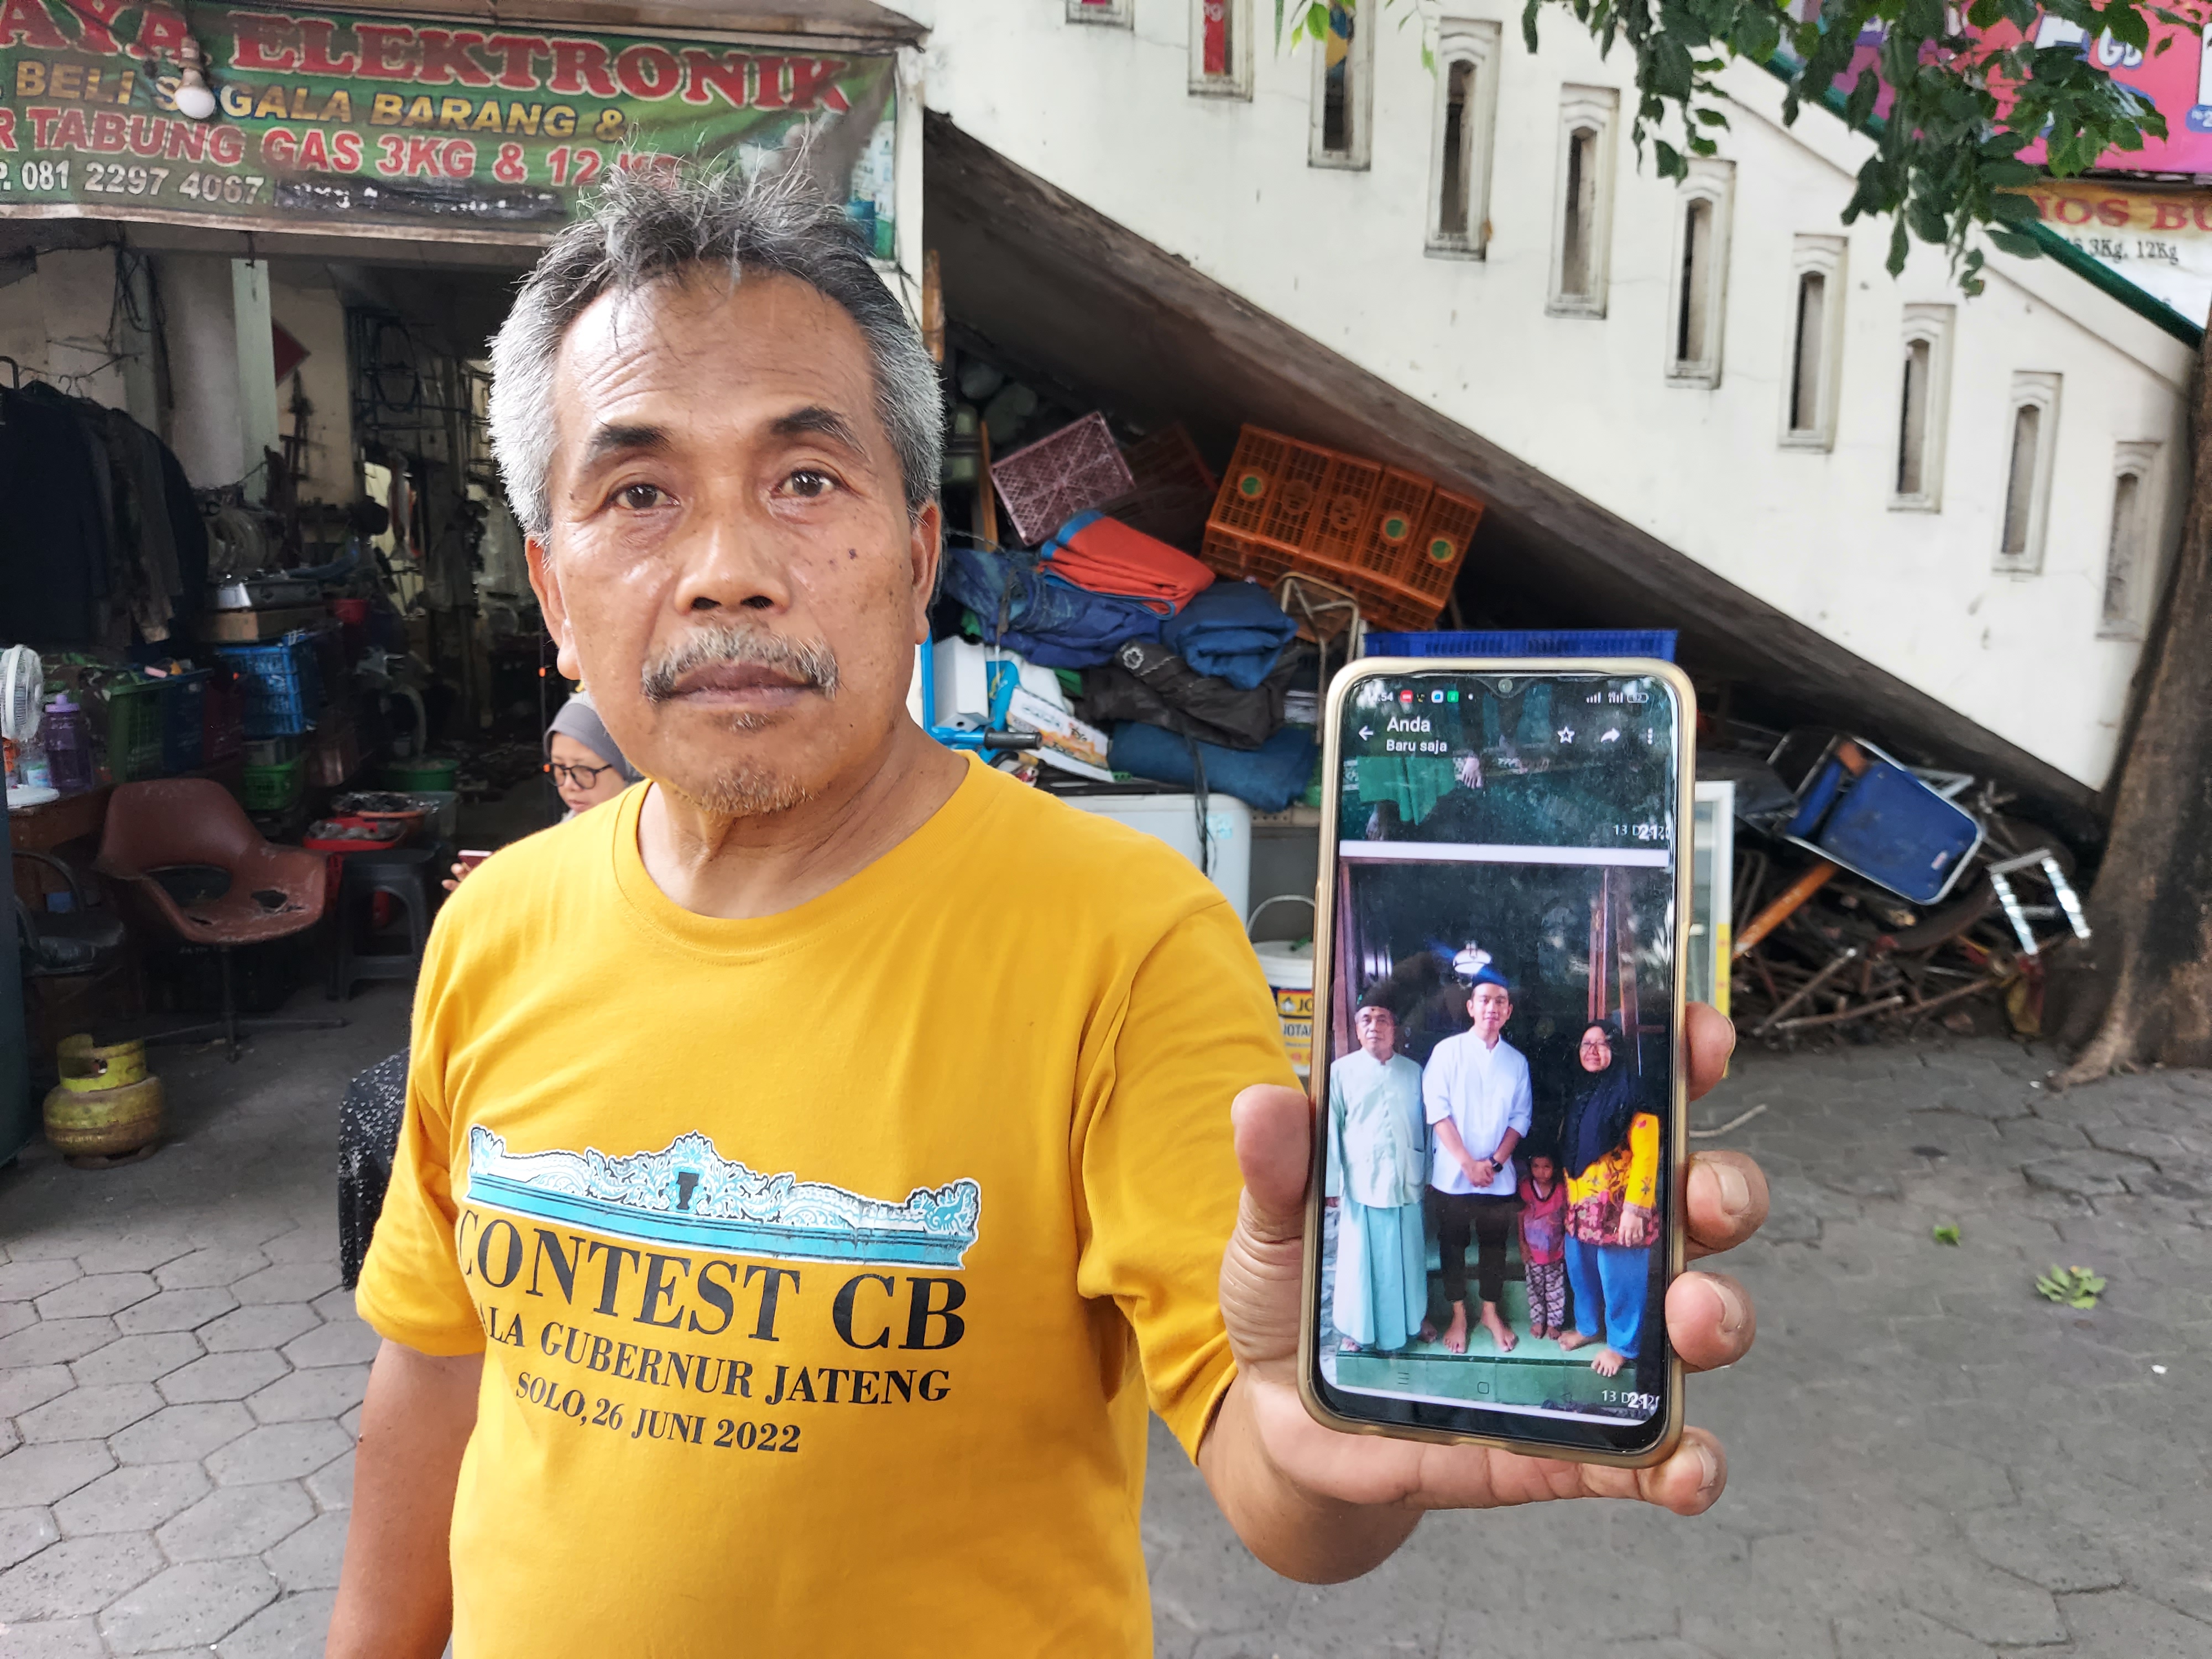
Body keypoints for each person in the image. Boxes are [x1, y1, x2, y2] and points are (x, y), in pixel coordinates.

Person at [326, 164, 1768, 1659]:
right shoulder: (498, 927)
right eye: (639, 493)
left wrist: (1330, 1443)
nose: (729, 572)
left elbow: (1270, 1456)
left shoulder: (1122, 942)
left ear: (917, 557)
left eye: (806, 480)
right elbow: (436, 1366)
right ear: (555, 593)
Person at [1420, 966, 1532, 1356]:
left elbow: (1521, 1118)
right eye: (1484, 1000)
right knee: (1452, 1245)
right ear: (1470, 1007)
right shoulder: (1447, 1053)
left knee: (1494, 1246)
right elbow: (1437, 1112)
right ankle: (1458, 1316)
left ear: (1509, 1010)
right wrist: (1468, 1163)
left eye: (1500, 1001)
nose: (1492, 1008)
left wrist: (1496, 1164)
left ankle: (1489, 1312)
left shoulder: (1516, 1062)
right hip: (1453, 1175)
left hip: (1497, 1178)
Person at [1557, 1019, 1661, 1379]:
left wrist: (1636, 1211)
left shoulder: (1633, 1092)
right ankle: (1588, 1327)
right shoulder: (1580, 1090)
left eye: (1602, 1044)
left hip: (1620, 1209)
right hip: (1580, 1205)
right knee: (1580, 1270)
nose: (1593, 1051)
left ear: (1616, 1050)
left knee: (1620, 1278)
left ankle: (1621, 1345)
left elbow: (1647, 1156)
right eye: (1587, 1044)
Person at [1327, 995, 1429, 1354]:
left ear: (1394, 1029)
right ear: (1357, 1030)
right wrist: (1331, 1182)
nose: (1374, 1026)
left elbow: (1427, 1129)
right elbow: (1330, 1127)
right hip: (1361, 1180)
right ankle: (1359, 1329)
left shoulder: (1414, 1071)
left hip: (1405, 1178)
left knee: (1409, 1257)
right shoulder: (1340, 1071)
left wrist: (1427, 1171)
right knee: (1361, 1261)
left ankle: (1412, 1322)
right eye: (1366, 1019)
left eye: (1382, 1019)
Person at [544, 686, 640, 817]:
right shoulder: (566, 834)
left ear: (631, 767)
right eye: (560, 768)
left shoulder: (660, 835)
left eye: (584, 771)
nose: (569, 785)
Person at [1517, 1144, 1568, 1343]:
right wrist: (1522, 1243)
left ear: (1554, 1168)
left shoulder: (1561, 1190)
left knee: (1555, 1287)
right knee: (1535, 1286)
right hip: (1533, 1251)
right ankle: (1538, 1320)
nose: (1541, 1172)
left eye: (1546, 1167)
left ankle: (1555, 1322)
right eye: (1536, 1166)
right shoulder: (1525, 1188)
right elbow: (1520, 1217)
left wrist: (1564, 1243)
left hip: (1555, 1250)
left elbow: (1566, 1218)